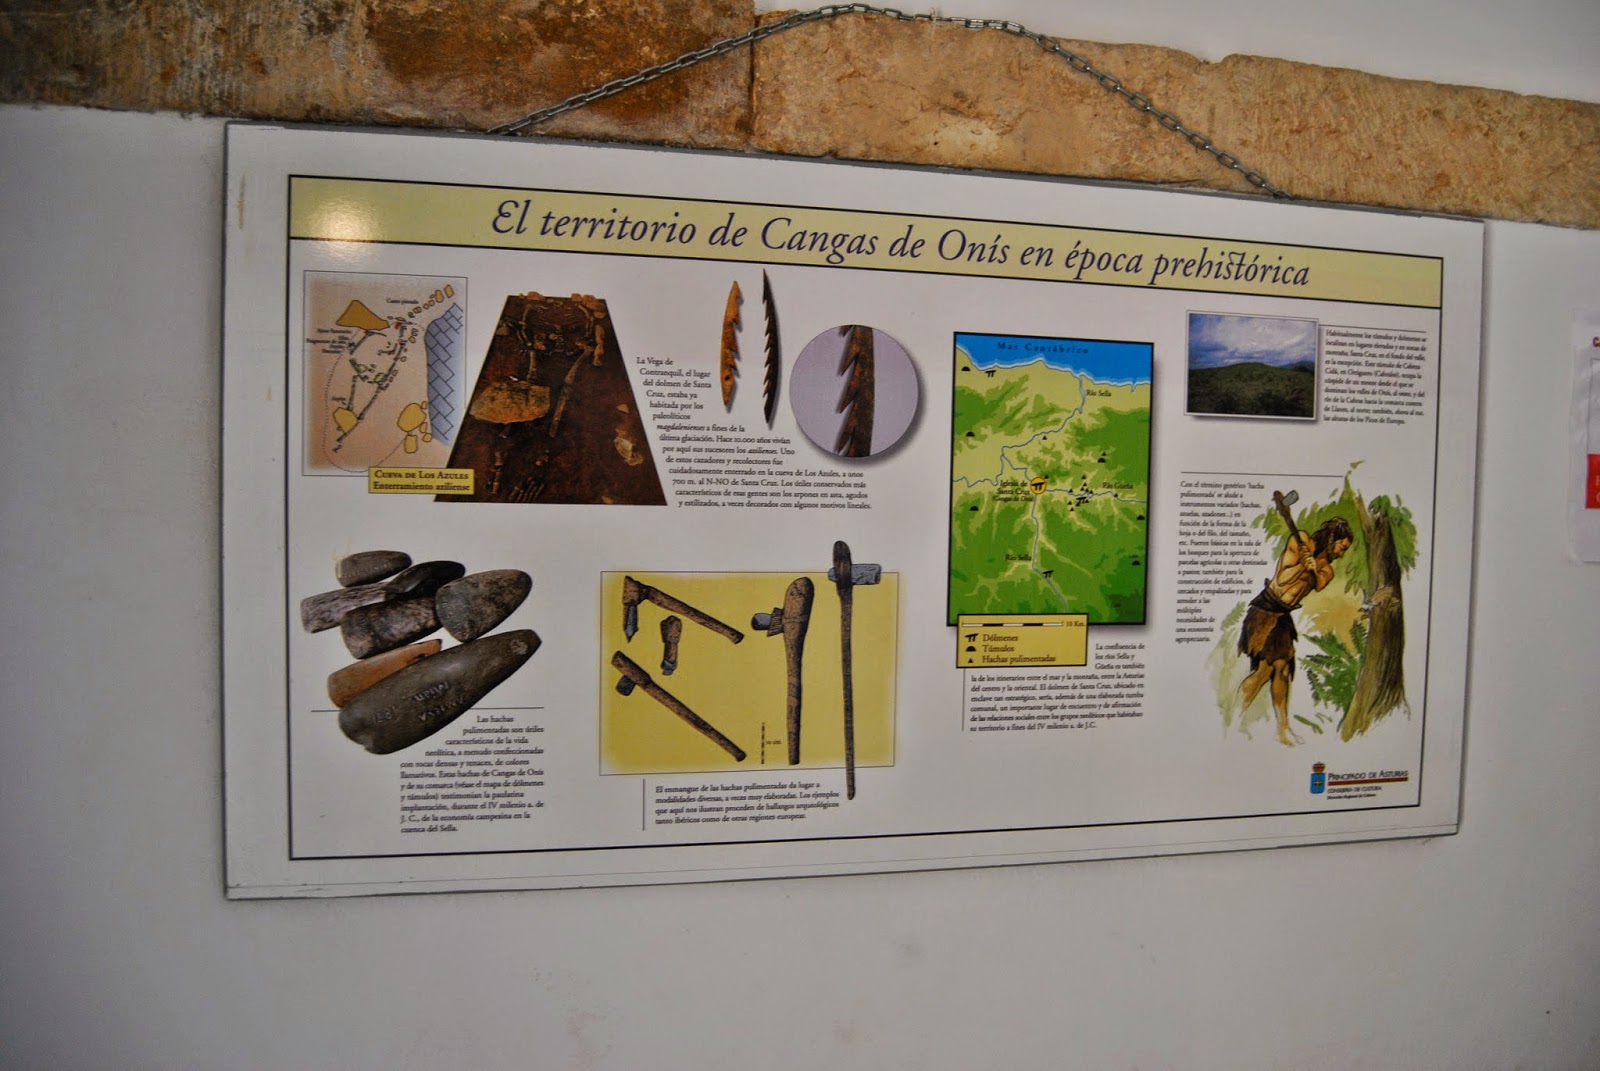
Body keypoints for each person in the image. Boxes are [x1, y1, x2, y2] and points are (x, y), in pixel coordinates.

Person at [1237, 515, 1354, 745]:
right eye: (1342, 546)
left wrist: (1312, 568)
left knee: (1281, 671)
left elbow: (1319, 584)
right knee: (1264, 672)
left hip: (1283, 616)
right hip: (1265, 609)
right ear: (1332, 538)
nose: (1342, 552)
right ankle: (1236, 711)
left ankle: (1283, 728)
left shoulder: (1327, 570)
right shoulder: (1300, 540)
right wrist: (1302, 564)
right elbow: (1281, 580)